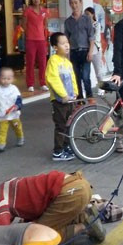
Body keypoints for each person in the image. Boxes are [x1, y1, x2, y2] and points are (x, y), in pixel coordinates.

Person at [0, 170, 105, 243]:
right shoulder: (1, 191)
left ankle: (83, 226)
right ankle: (82, 215)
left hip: (70, 194)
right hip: (79, 185)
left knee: (37, 236)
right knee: (34, 226)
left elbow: (2, 234)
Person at [46, 32, 77, 161]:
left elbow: (73, 78)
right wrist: (63, 95)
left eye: (67, 43)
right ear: (54, 47)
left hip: (70, 100)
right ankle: (58, 152)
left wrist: (75, 92)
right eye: (62, 43)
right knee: (61, 125)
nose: (66, 45)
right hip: (59, 101)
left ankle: (66, 146)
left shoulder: (67, 62)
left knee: (69, 124)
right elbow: (52, 79)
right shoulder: (53, 61)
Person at [64, 0, 94, 99]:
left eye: (76, 3)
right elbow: (66, 40)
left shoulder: (87, 19)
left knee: (86, 77)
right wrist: (66, 56)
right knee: (76, 77)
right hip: (73, 52)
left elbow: (91, 37)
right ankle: (80, 99)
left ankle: (90, 97)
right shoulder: (68, 22)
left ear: (80, 3)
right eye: (72, 3)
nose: (74, 5)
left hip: (85, 51)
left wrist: (90, 52)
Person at [21, 0, 48, 92]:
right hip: (31, 40)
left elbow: (46, 24)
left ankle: (43, 82)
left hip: (41, 40)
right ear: (31, 0)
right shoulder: (28, 11)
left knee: (43, 62)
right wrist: (28, 34)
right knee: (30, 62)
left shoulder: (44, 11)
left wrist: (44, 35)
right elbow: (23, 24)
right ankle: (30, 83)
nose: (36, 0)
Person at [0, 67, 24, 152]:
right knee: (3, 130)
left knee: (17, 127)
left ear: (12, 79)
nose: (6, 80)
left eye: (8, 78)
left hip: (14, 114)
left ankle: (20, 137)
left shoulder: (14, 89)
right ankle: (1, 143)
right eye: (3, 78)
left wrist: (17, 106)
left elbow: (19, 99)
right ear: (0, 78)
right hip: (3, 114)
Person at [84, 6, 107, 86]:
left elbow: (96, 38)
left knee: (98, 71)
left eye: (88, 14)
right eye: (85, 14)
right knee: (85, 73)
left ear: (92, 14)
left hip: (96, 50)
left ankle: (101, 88)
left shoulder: (97, 25)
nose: (86, 16)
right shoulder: (84, 26)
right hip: (86, 50)